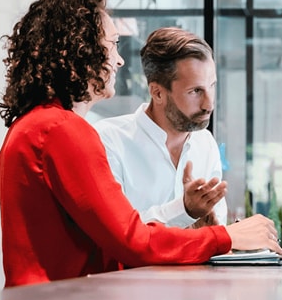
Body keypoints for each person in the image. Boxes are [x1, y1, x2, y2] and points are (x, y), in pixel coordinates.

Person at [0, 0, 282, 287]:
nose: (119, 61)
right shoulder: (62, 131)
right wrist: (224, 237)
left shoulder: (34, 126)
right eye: (113, 45)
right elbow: (132, 239)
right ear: (80, 50)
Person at [94, 27, 227, 229]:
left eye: (212, 86)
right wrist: (184, 210)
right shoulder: (108, 141)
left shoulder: (205, 143)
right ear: (157, 93)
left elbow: (216, 224)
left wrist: (213, 230)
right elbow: (116, 230)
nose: (209, 104)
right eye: (196, 91)